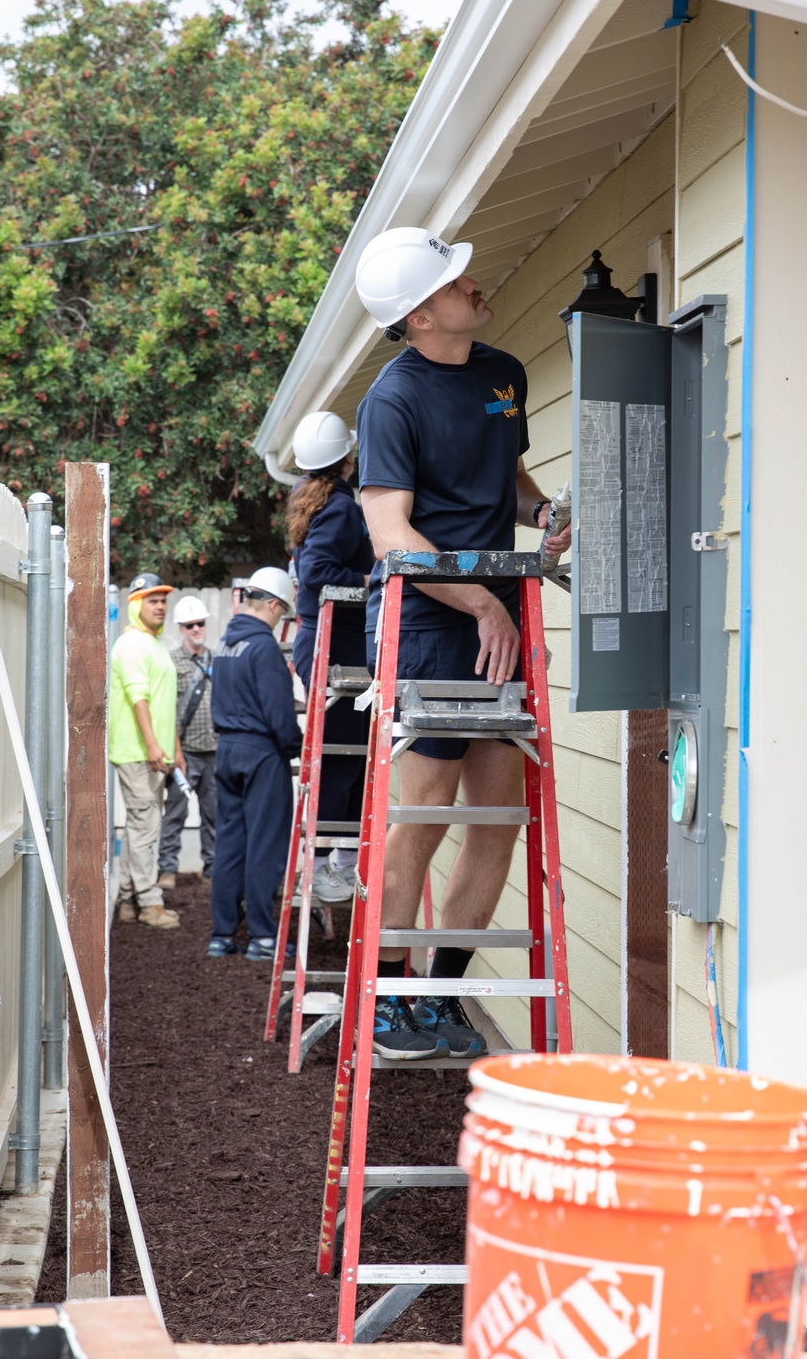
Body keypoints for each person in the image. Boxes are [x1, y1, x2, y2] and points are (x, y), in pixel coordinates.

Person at [354, 225, 572, 1059]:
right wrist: (481, 602)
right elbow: (392, 539)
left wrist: (542, 513)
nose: (472, 285)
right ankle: (389, 1001)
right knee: (423, 818)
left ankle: (441, 995)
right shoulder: (392, 401)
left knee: (496, 818)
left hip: (497, 616)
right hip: (432, 624)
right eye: (453, 283)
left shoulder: (503, 374)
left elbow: (506, 482)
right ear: (419, 316)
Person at [287, 411, 374, 904]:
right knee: (343, 757)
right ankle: (324, 867)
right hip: (333, 647)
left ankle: (338, 859)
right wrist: (368, 581)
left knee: (348, 754)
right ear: (347, 458)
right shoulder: (340, 507)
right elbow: (318, 571)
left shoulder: (313, 498)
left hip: (326, 643)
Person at [208, 566, 303, 961]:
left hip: (227, 750)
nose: (281, 621)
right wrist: (297, 747)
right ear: (273, 605)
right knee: (265, 845)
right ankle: (263, 937)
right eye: (283, 613)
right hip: (261, 753)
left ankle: (222, 935)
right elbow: (279, 712)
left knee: (230, 844)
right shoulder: (263, 647)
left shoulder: (224, 644)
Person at [108, 572, 186, 929]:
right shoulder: (131, 645)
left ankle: (127, 900)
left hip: (154, 754)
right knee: (145, 828)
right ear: (135, 604)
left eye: (163, 601)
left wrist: (175, 749)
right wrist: (154, 745)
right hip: (138, 753)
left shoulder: (155, 644)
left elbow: (164, 703)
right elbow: (139, 699)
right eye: (152, 600)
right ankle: (150, 904)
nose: (160, 606)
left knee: (140, 828)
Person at [157, 594, 217, 891]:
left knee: (214, 814)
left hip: (215, 751)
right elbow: (164, 709)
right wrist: (174, 750)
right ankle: (167, 870)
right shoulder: (170, 661)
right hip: (184, 753)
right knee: (175, 813)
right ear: (181, 628)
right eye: (190, 624)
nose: (196, 629)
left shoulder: (216, 660)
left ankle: (212, 870)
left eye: (200, 623)